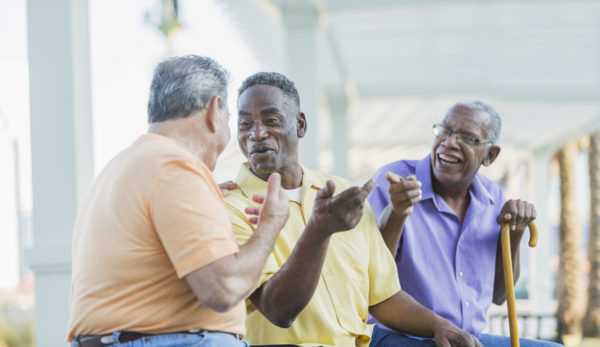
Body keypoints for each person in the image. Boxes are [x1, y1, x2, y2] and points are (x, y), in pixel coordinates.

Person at [224, 72, 482, 347]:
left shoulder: (342, 193)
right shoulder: (230, 209)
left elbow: (383, 297)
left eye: (271, 120)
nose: (257, 133)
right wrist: (319, 231)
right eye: (245, 124)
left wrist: (439, 326)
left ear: (300, 125)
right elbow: (278, 309)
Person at [67, 56, 290, 347]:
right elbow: (223, 289)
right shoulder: (175, 168)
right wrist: (270, 225)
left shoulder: (122, 167)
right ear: (214, 110)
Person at [368, 99, 561, 346]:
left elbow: (500, 296)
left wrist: (515, 233)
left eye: (467, 138)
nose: (448, 143)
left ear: (490, 155)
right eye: (444, 131)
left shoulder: (493, 199)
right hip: (396, 335)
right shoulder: (394, 183)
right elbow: (370, 280)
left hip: (465, 339)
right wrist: (397, 212)